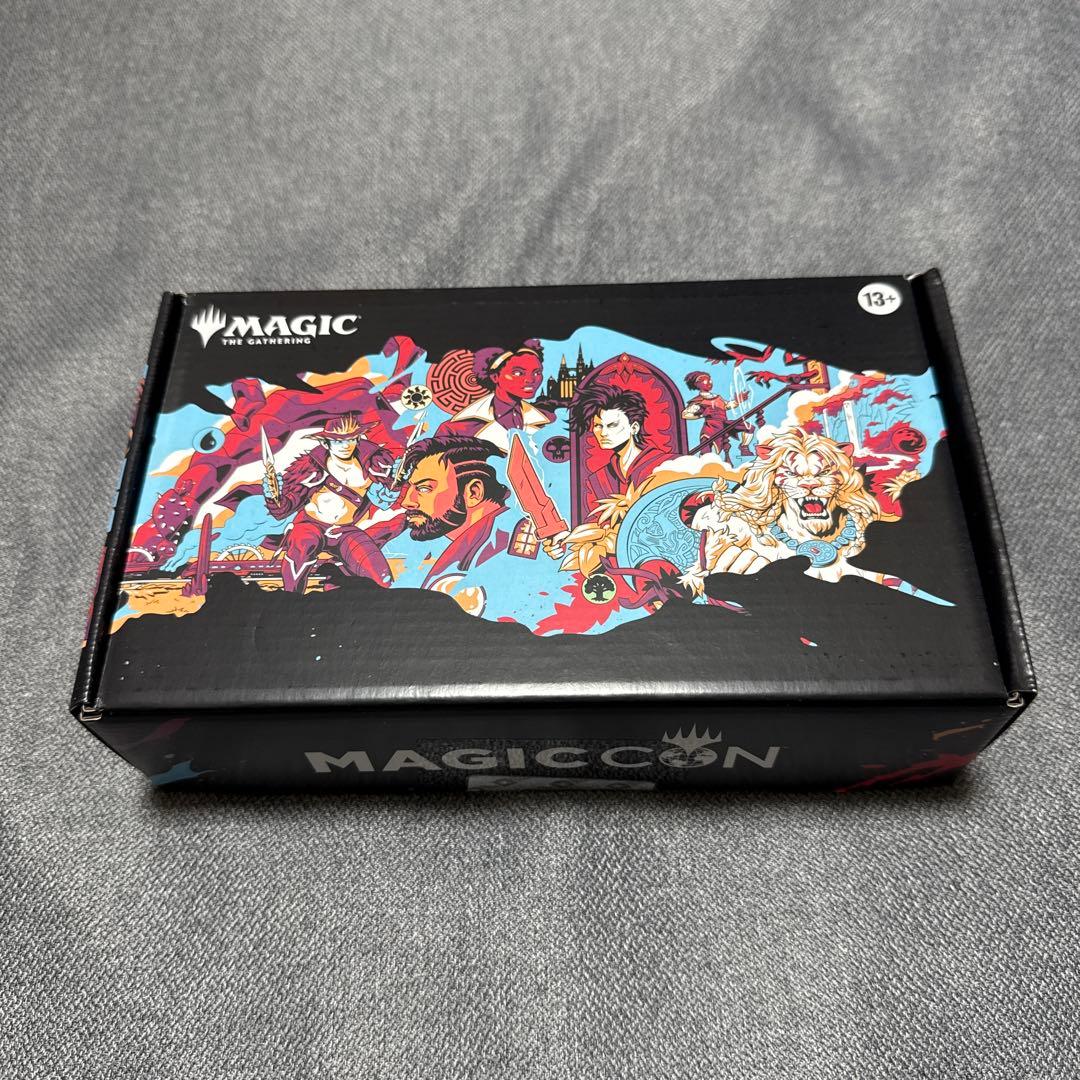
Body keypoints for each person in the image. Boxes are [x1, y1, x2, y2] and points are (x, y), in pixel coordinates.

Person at [263, 413, 396, 592]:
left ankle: (337, 577)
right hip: (310, 526)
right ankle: (291, 598)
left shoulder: (374, 465)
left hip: (345, 530)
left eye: (350, 439)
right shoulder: (311, 468)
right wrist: (273, 496)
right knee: (304, 543)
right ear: (326, 443)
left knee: (381, 577)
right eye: (338, 441)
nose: (345, 446)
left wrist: (398, 480)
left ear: (358, 439)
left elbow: (388, 497)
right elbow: (284, 509)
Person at [398, 435, 511, 586]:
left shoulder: (503, 552)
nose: (407, 502)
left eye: (424, 488)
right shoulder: (478, 544)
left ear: (473, 492)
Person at [568, 383, 674, 513]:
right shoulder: (597, 480)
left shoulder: (666, 465)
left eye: (612, 425)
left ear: (634, 428)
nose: (603, 433)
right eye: (598, 426)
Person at [438, 339, 555, 451]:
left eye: (537, 373)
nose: (530, 380)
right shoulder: (454, 429)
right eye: (518, 373)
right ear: (495, 377)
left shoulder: (550, 421)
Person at [681, 370, 752, 458]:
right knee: (706, 449)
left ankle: (744, 447)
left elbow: (726, 406)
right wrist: (701, 415)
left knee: (749, 427)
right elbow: (684, 415)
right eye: (706, 380)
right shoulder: (698, 400)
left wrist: (737, 401)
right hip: (710, 427)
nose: (710, 382)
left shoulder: (717, 397)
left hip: (724, 423)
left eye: (710, 380)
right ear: (697, 384)